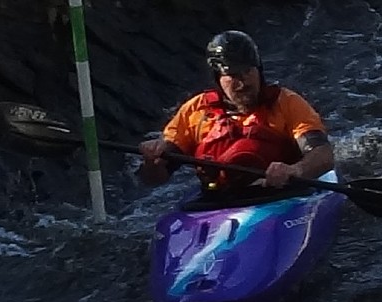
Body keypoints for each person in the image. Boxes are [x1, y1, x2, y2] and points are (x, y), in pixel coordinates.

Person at [137, 30, 335, 197]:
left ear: (259, 70)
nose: (244, 82)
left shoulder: (287, 103)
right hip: (220, 202)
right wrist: (151, 161)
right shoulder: (195, 111)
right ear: (218, 78)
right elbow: (155, 179)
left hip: (281, 195)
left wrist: (296, 170)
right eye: (233, 75)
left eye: (248, 71)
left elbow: (323, 155)